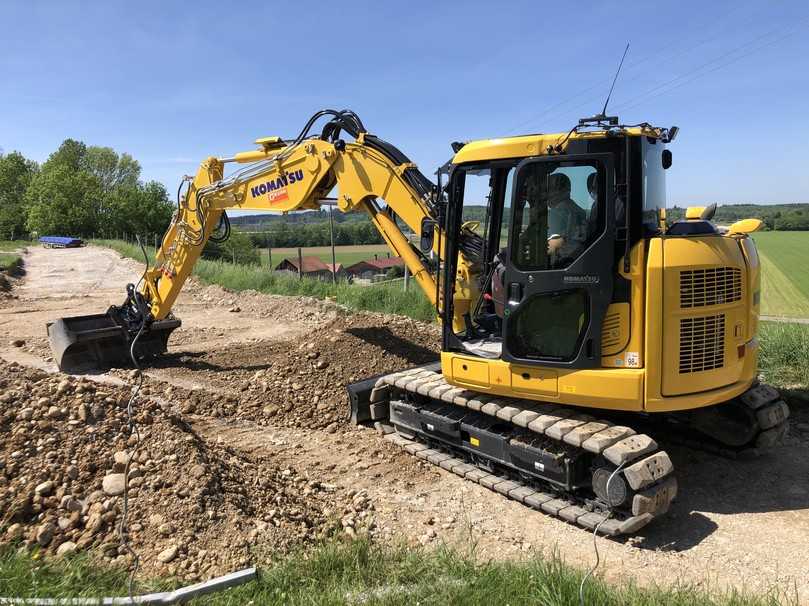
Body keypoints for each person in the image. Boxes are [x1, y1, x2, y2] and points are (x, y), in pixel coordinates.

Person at [546, 173, 588, 263]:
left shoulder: (557, 213)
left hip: (563, 261)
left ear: (555, 191)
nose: (546, 194)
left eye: (548, 190)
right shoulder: (578, 210)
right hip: (577, 258)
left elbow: (552, 246)